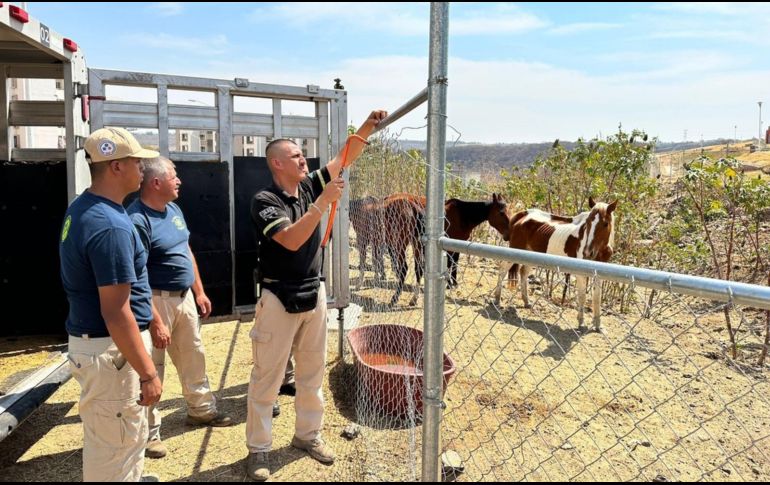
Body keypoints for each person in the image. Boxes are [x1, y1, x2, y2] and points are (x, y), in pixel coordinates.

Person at [246, 110, 387, 481]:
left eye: (302, 155)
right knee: (267, 378)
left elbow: (343, 159)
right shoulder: (265, 200)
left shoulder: (308, 185)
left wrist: (369, 126)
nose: (302, 159)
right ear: (277, 163)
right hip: (278, 296)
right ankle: (258, 450)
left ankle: (307, 436)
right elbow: (291, 240)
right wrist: (322, 203)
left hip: (314, 293)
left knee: (310, 375)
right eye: (295, 156)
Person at [60, 127, 162, 481]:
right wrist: (148, 373)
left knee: (118, 439)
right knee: (115, 450)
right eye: (137, 161)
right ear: (116, 166)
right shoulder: (110, 226)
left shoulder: (85, 207)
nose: (143, 169)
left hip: (98, 347)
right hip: (110, 351)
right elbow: (116, 312)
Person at [127, 157, 234, 459]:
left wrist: (198, 291)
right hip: (156, 301)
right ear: (156, 182)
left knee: (193, 355)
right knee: (151, 366)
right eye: (174, 176)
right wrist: (154, 319)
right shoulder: (137, 219)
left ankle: (201, 411)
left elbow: (185, 250)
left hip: (184, 297)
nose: (179, 181)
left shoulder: (173, 210)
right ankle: (148, 435)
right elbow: (137, 273)